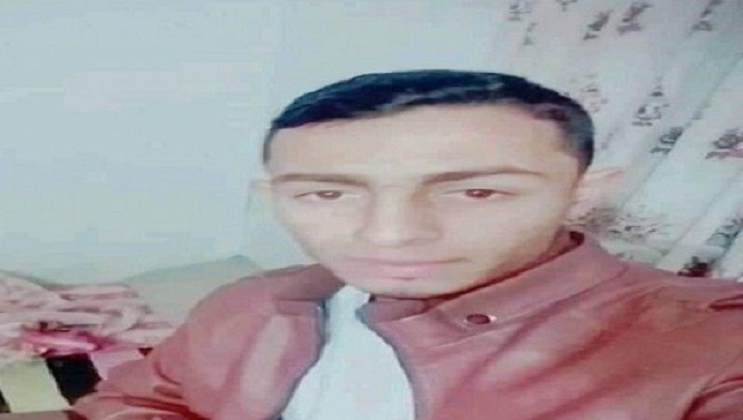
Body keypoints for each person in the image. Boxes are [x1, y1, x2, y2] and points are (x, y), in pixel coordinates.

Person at [71, 70, 743, 419]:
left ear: (584, 194)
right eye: (327, 194)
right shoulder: (252, 303)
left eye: (475, 191)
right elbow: (138, 402)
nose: (389, 234)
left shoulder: (716, 342)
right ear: (274, 196)